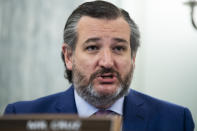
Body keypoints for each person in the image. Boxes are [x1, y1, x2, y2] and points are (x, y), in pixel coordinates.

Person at [4, 1, 195, 131]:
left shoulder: (176, 120)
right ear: (69, 56)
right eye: (93, 47)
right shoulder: (22, 116)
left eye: (119, 48)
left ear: (133, 57)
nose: (107, 62)